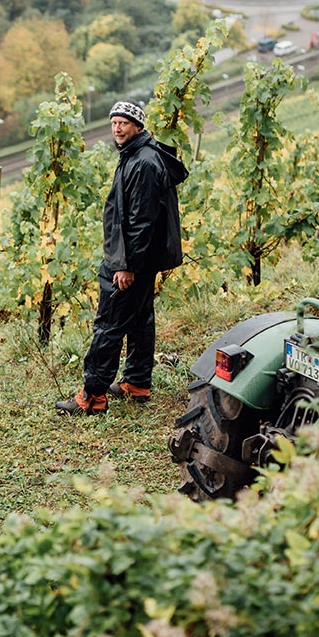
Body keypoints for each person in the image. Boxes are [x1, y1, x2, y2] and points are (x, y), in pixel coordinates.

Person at [56, 99, 188, 415]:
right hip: (141, 259)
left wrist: (126, 266)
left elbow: (141, 222)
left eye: (124, 123)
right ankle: (137, 382)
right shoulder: (139, 155)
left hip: (131, 260)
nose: (117, 128)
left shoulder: (142, 163)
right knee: (140, 318)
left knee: (110, 323)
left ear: (138, 126)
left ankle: (93, 397)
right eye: (114, 122)